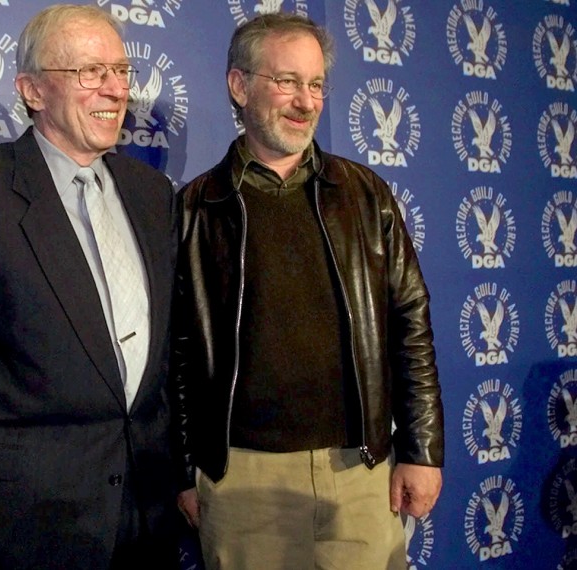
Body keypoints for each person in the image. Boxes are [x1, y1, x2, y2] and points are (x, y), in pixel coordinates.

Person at [0, 5, 180, 569]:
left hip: (145, 510)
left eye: (121, 71)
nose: (115, 89)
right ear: (32, 91)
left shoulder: (152, 193)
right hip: (24, 519)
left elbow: (169, 358)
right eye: (89, 73)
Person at [172, 12, 444, 570]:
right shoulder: (196, 209)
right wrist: (183, 472)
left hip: (360, 472)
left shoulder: (367, 194)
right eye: (287, 81)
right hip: (241, 481)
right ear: (239, 85)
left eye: (316, 84)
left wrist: (423, 450)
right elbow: (176, 356)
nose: (306, 100)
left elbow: (410, 324)